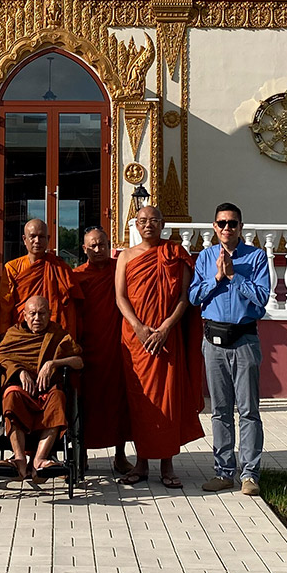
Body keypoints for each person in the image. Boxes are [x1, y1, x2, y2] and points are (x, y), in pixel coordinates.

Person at [115, 205, 203, 489]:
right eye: (142, 221)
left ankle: (167, 464)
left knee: (167, 400)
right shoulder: (126, 256)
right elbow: (120, 297)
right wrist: (140, 328)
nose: (148, 225)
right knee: (141, 401)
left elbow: (184, 297)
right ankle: (141, 463)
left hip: (167, 338)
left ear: (163, 223)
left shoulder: (175, 254)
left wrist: (165, 327)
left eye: (154, 220)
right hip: (136, 339)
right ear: (136, 226)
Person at [189, 203, 271, 496]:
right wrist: (217, 278)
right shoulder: (206, 258)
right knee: (220, 410)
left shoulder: (256, 258)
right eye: (222, 223)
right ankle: (223, 472)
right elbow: (194, 295)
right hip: (213, 342)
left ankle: (249, 474)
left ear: (241, 227)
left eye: (232, 224)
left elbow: (261, 300)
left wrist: (236, 276)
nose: (227, 228)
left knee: (248, 410)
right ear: (214, 227)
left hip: (245, 340)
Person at [0, 295, 84, 480]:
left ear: (50, 314)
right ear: (24, 315)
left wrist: (53, 363)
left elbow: (79, 361)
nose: (37, 318)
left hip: (48, 391)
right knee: (10, 396)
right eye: (32, 314)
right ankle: (19, 458)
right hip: (21, 390)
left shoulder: (58, 334)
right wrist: (18, 371)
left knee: (59, 398)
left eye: (42, 314)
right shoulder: (14, 334)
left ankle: (40, 460)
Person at [73, 226, 131, 474]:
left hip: (115, 345)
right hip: (87, 347)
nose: (98, 250)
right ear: (84, 249)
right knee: (86, 401)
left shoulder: (119, 270)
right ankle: (82, 453)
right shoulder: (77, 276)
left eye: (102, 245)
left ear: (109, 245)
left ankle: (120, 454)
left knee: (118, 400)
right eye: (93, 246)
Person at [0, 218, 83, 337]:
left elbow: (70, 307)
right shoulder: (12, 268)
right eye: (32, 236)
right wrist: (4, 333)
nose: (37, 241)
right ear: (24, 239)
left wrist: (70, 334)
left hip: (53, 329)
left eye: (41, 237)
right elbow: (5, 306)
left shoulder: (60, 268)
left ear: (48, 239)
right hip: (23, 329)